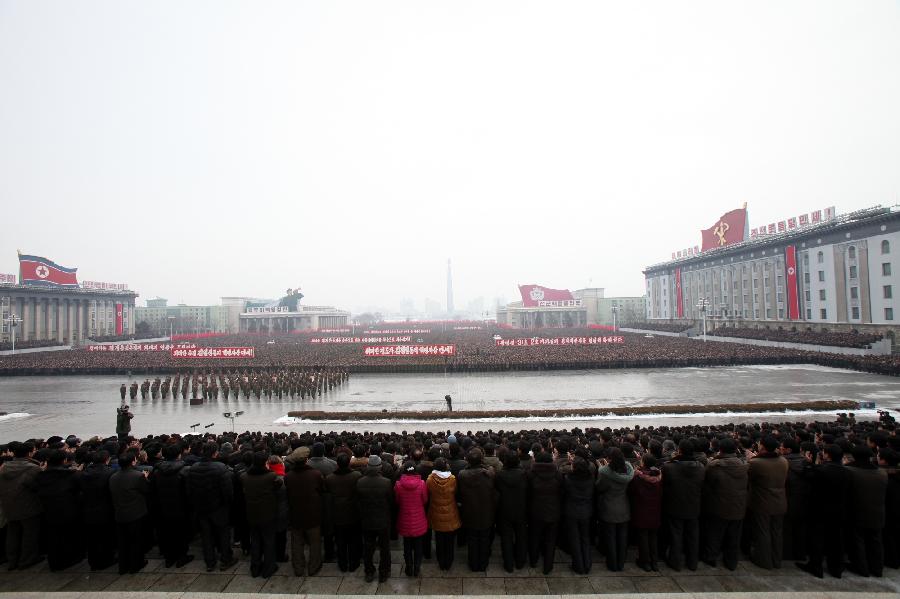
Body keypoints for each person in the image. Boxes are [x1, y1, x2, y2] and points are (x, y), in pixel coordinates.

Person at [798, 444, 850, 578]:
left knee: (817, 538)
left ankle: (816, 566)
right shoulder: (847, 471)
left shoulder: (822, 470)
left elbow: (808, 476)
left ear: (828, 455)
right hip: (839, 509)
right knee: (837, 539)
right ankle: (836, 568)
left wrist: (810, 464)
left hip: (820, 509)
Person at [185, 442, 238, 573]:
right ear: (215, 453)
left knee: (206, 536)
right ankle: (226, 559)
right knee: (223, 534)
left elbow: (189, 489)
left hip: (201, 507)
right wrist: (227, 505)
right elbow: (228, 491)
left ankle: (210, 562)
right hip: (218, 507)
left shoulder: (193, 467)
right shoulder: (221, 468)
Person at [702, 437, 748, 570]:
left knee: (715, 534)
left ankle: (711, 557)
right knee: (734, 536)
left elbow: (707, 483)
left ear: (720, 449)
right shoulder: (744, 465)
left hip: (719, 506)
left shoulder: (714, 466)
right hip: (739, 506)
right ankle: (731, 562)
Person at [662, 439, 705, 572]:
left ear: (679, 450)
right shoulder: (700, 467)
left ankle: (675, 562)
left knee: (676, 535)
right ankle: (692, 563)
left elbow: (665, 485)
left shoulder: (669, 467)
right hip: (694, 505)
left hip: (674, 506)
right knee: (692, 535)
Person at [845, 445, 887, 577]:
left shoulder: (850, 471)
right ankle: (877, 568)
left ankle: (861, 567)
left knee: (858, 541)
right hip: (878, 511)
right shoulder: (882, 473)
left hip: (857, 511)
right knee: (875, 541)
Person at [0, 441, 43, 571]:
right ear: (29, 453)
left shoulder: (3, 468)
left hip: (8, 505)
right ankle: (27, 560)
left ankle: (12, 560)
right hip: (28, 505)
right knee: (29, 533)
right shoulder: (33, 468)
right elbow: (37, 487)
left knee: (12, 533)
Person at [747, 436, 789, 570]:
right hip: (780, 501)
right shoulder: (783, 461)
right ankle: (776, 560)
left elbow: (748, 478)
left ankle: (764, 561)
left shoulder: (756, 463)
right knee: (777, 532)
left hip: (762, 502)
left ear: (763, 447)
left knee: (763, 532)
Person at [240, 450, 283, 578]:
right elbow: (278, 485)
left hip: (252, 513)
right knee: (268, 540)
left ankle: (255, 567)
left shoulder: (244, 477)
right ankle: (269, 568)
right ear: (265, 463)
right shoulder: (271, 476)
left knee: (255, 540)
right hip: (267, 513)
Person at [151, 444, 193, 568]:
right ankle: (182, 556)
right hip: (181, 506)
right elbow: (188, 491)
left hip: (162, 506)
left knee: (166, 532)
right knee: (181, 533)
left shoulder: (156, 470)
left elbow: (152, 490)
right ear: (179, 454)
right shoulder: (184, 470)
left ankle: (169, 558)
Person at [284, 446, 325, 577]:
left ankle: (298, 568)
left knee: (296, 542)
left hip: (295, 513)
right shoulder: (316, 474)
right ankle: (314, 566)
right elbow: (321, 490)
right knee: (314, 542)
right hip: (313, 513)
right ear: (306, 459)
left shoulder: (288, 476)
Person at [109, 451, 149, 574]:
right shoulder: (138, 476)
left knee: (123, 541)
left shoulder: (113, 477)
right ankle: (136, 564)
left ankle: (123, 565)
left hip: (120, 513)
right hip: (136, 512)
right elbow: (146, 490)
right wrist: (146, 478)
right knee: (136, 540)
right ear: (133, 461)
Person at [457, 447, 497, 572]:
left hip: (469, 512)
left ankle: (473, 564)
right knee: (484, 539)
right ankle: (483, 564)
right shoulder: (489, 474)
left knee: (472, 539)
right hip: (486, 512)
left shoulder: (462, 475)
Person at [595, 447, 635, 572]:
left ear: (609, 459)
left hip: (609, 507)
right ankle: (621, 563)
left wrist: (603, 467)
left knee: (611, 537)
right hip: (624, 506)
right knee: (622, 538)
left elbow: (599, 487)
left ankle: (612, 564)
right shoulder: (628, 468)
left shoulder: (604, 472)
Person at [356, 455, 393, 583]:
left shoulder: (360, 482)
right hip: (383, 520)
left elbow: (358, 501)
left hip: (366, 520)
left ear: (368, 467)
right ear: (379, 467)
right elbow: (391, 501)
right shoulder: (386, 482)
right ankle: (384, 572)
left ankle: (369, 572)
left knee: (368, 548)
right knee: (384, 548)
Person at [79, 449, 117, 570]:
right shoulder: (110, 473)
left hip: (88, 509)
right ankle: (107, 558)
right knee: (106, 536)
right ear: (107, 460)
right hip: (106, 509)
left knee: (92, 537)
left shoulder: (83, 473)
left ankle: (93, 561)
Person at [326, 453, 362, 573]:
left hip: (337, 513)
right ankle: (353, 562)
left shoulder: (330, 478)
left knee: (340, 540)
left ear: (337, 464)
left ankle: (342, 564)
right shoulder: (356, 475)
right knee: (353, 539)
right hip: (353, 512)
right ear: (349, 463)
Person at [527, 451, 562, 574]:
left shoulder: (531, 474)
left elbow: (528, 493)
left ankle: (533, 560)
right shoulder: (557, 474)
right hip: (553, 511)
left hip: (535, 510)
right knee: (550, 539)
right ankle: (548, 565)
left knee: (534, 537)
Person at [495, 451, 528, 572]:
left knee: (506, 537)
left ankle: (508, 564)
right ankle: (520, 562)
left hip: (504, 509)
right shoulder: (524, 474)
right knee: (521, 536)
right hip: (521, 508)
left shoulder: (499, 475)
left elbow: (497, 489)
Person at [394, 461, 428, 577]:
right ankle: (417, 567)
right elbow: (425, 500)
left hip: (404, 517)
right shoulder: (422, 483)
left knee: (407, 545)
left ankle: (409, 567)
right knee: (418, 545)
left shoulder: (398, 485)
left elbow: (397, 501)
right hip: (418, 518)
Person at [426, 457, 460, 571]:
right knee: (450, 540)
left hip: (436, 511)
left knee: (439, 539)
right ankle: (449, 562)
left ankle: (441, 562)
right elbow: (455, 492)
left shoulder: (430, 479)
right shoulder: (452, 479)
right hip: (450, 511)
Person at [629, 453, 662, 571]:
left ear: (643, 463)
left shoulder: (638, 477)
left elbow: (632, 491)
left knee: (643, 536)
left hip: (642, 509)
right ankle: (654, 562)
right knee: (653, 536)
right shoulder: (659, 476)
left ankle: (645, 561)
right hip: (655, 509)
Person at [563, 455, 595, 575]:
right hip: (586, 510)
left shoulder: (568, 479)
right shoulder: (590, 478)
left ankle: (578, 565)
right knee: (585, 538)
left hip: (572, 511)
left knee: (575, 539)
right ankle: (587, 563)